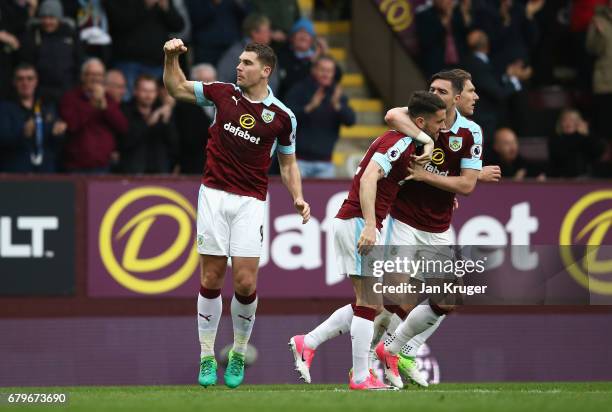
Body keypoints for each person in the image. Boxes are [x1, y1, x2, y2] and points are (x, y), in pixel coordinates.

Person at [163, 38, 311, 389]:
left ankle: (240, 350)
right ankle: (207, 356)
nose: (239, 67)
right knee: (211, 278)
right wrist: (170, 58)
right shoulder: (221, 94)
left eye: (246, 63)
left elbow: (287, 165)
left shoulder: (282, 118)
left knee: (245, 282)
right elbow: (177, 87)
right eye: (239, 61)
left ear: (265, 70)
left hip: (250, 203)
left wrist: (298, 198)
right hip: (213, 196)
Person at [289, 91, 445, 390]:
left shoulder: (401, 138)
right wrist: (371, 224)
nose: (441, 127)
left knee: (372, 303)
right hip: (359, 221)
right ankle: (361, 377)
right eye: (437, 122)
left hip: (357, 220)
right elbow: (370, 177)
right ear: (421, 121)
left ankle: (307, 342)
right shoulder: (400, 142)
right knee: (369, 303)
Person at [285, 55, 356, 178]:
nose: (326, 74)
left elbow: (351, 121)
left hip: (326, 163)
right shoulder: (299, 89)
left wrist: (337, 106)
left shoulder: (337, 94)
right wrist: (309, 107)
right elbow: (285, 119)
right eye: (322, 70)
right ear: (314, 70)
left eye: (330, 71)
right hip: (298, 161)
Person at [60, 57, 128, 173]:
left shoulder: (109, 99)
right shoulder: (71, 98)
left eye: (99, 75)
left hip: (103, 166)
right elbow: (72, 125)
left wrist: (105, 107)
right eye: (91, 74)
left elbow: (122, 126)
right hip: (76, 166)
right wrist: (92, 105)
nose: (95, 79)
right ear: (83, 77)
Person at [103, 0, 184, 97]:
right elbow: (119, 22)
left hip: (156, 63)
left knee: (153, 104)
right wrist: (145, 5)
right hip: (127, 62)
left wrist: (167, 8)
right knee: (126, 101)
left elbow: (178, 26)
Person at [0, 63, 66, 172]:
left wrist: (59, 134)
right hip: (15, 174)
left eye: (30, 79)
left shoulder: (47, 109)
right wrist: (23, 133)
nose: (25, 83)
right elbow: (3, 140)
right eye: (20, 79)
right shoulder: (5, 109)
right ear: (14, 82)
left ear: (36, 81)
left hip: (45, 173)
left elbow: (56, 146)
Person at [19, 0, 83, 103]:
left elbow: (79, 60)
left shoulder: (70, 34)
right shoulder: (33, 34)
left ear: (59, 18)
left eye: (52, 18)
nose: (47, 22)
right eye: (44, 17)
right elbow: (27, 61)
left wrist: (75, 85)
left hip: (67, 89)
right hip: (41, 91)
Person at [118, 74, 179, 173]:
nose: (148, 95)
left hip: (159, 172)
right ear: (135, 91)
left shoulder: (161, 111)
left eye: (152, 91)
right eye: (144, 91)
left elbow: (174, 145)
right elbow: (125, 141)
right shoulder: (125, 110)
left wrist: (167, 122)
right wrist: (148, 123)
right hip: (132, 172)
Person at [216, 13, 281, 93]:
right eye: (267, 30)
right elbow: (223, 82)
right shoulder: (236, 53)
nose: (270, 34)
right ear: (255, 33)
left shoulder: (269, 53)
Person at [173, 63, 216, 174]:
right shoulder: (184, 107)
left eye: (212, 80)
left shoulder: (225, 104)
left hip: (221, 168)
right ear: (193, 84)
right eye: (205, 81)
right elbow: (187, 139)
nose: (210, 84)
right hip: (194, 168)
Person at [548, 109, 603, 178]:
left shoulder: (586, 137)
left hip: (585, 178)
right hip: (562, 179)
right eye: (565, 120)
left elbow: (598, 152)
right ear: (560, 123)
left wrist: (587, 135)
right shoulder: (556, 139)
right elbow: (555, 162)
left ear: (579, 122)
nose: (568, 123)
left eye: (572, 120)